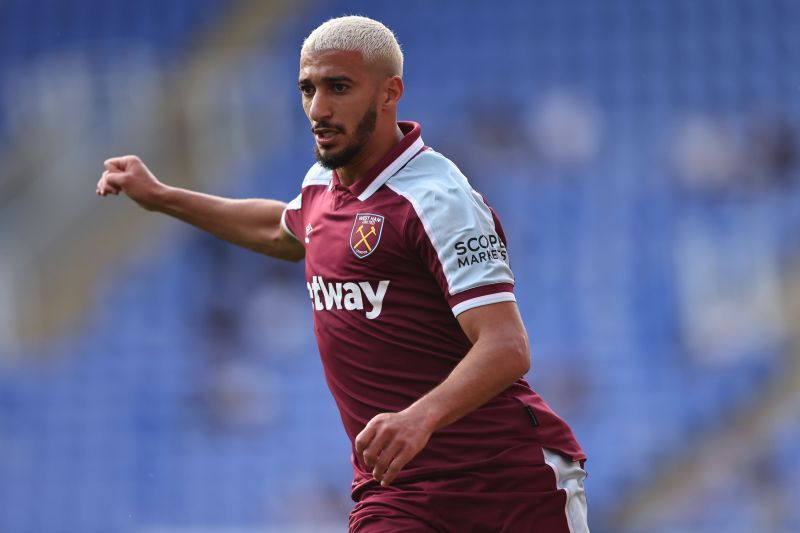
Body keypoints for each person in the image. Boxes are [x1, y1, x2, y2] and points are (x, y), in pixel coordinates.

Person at [96, 15, 589, 532]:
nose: (318, 109)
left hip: (506, 481)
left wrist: (419, 417)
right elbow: (281, 230)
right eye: (308, 89)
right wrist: (163, 198)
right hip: (397, 489)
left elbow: (507, 346)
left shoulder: (437, 200)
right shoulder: (322, 188)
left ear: (389, 93)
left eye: (339, 87)